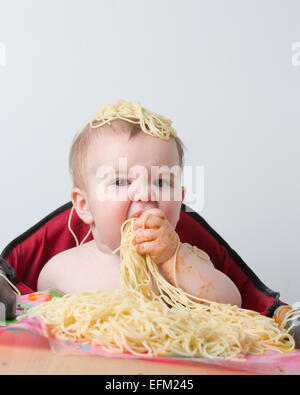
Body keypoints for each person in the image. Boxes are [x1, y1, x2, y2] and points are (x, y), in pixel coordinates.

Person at [37, 101, 242, 306]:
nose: (144, 193)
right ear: (84, 205)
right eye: (121, 182)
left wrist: (174, 257)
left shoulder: (187, 264)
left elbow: (232, 305)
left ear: (179, 200)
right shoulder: (61, 272)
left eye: (161, 182)